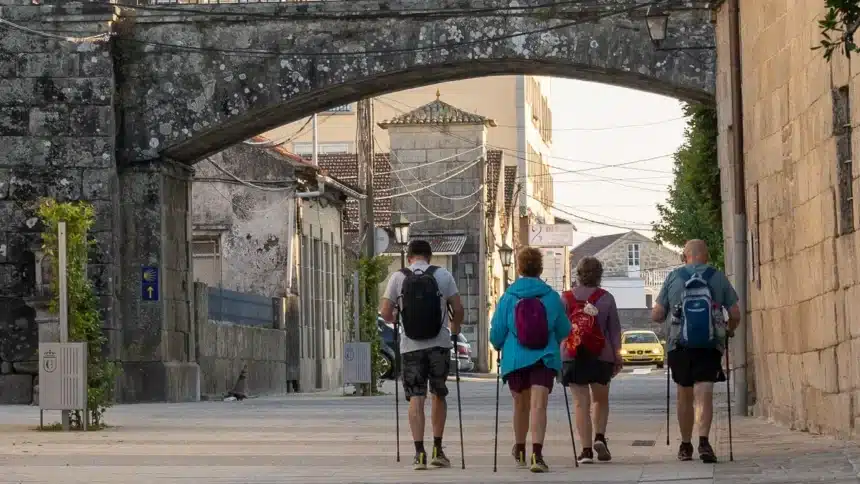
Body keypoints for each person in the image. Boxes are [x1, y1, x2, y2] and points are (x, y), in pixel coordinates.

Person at [651, 239, 740, 463]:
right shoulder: (718, 277)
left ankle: (685, 445)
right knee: (705, 392)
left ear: (685, 256)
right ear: (706, 255)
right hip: (709, 345)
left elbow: (657, 314)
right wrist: (728, 331)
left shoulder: (673, 277)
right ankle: (704, 442)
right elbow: (736, 313)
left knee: (684, 393)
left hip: (679, 345)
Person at [379, 239, 464, 471]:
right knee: (438, 393)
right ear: (430, 257)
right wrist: (454, 332)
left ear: (409, 258)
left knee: (416, 397)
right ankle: (438, 448)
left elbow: (385, 313)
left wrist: (399, 318)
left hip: (411, 347)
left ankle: (419, 454)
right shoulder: (443, 275)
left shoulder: (398, 277)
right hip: (439, 345)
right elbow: (458, 309)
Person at [489, 247, 571, 473]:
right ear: (540, 268)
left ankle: (520, 449)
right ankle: (537, 454)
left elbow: (496, 333)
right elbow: (564, 329)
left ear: (520, 267)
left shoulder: (508, 296)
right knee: (538, 405)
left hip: (515, 359)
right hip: (544, 357)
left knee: (520, 405)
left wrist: (499, 346)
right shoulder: (552, 296)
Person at [560, 256, 622, 464]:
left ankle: (586, 450)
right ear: (599, 275)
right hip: (601, 355)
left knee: (580, 403)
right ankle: (600, 437)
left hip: (572, 354)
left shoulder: (565, 298)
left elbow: (559, 330)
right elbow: (614, 332)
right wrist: (617, 356)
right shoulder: (606, 298)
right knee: (600, 399)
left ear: (578, 274)